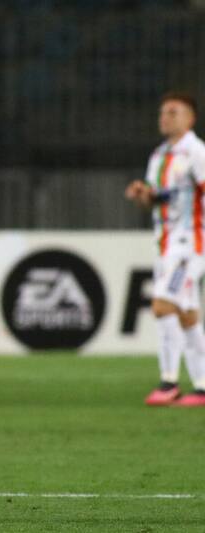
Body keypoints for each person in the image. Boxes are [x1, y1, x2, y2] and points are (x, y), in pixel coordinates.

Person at [125, 91, 205, 406]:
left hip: (189, 243)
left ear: (190, 118)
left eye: (173, 112)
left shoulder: (196, 152)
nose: (165, 117)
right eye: (162, 112)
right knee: (186, 315)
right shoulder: (158, 156)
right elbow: (155, 200)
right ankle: (201, 386)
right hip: (165, 242)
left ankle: (168, 382)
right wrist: (142, 193)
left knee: (161, 306)